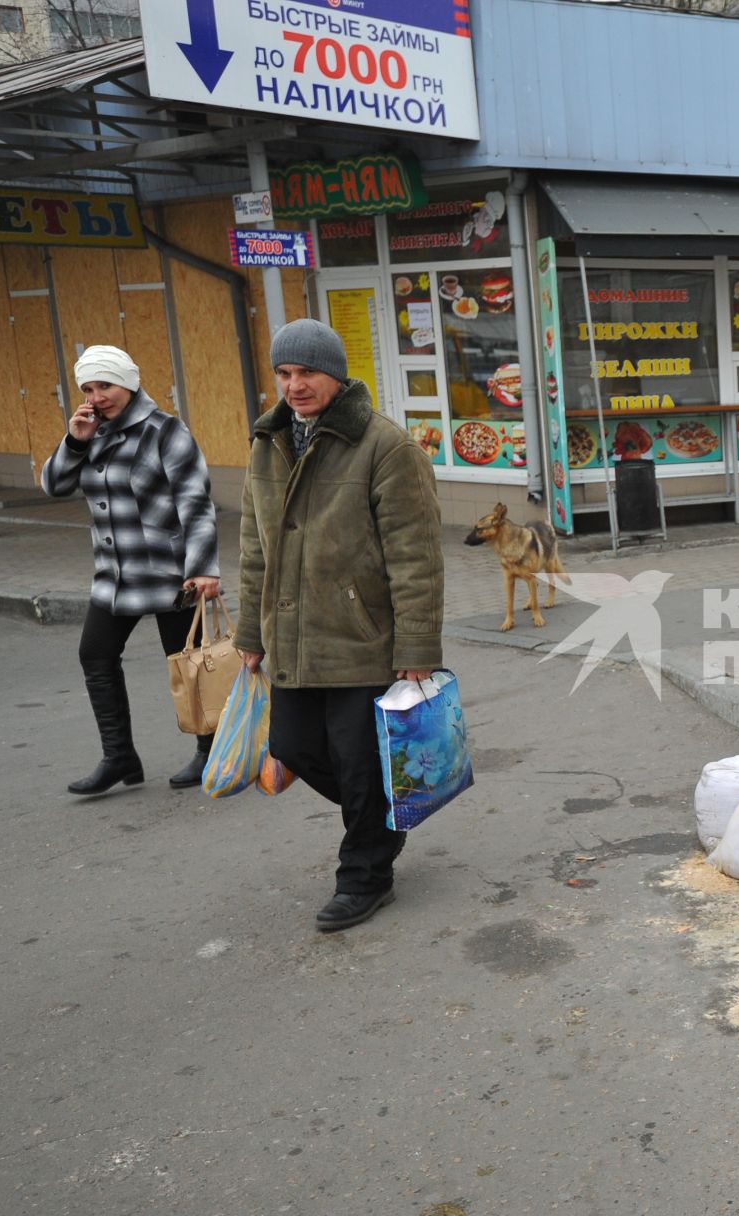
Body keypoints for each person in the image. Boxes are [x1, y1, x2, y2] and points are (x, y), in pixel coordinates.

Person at [235, 319, 445, 932]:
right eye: (284, 373)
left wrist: (417, 645)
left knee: (357, 762)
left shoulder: (385, 446)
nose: (294, 385)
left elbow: (417, 556)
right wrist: (250, 633)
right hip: (293, 637)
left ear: (336, 374)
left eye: (307, 373)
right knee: (294, 746)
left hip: (363, 638)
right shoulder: (266, 442)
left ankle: (365, 875)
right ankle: (381, 820)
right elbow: (255, 548)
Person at [41, 345, 221, 795]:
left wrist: (204, 569)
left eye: (106, 385)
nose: (97, 396)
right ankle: (119, 757)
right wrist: (75, 441)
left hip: (170, 572)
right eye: (88, 387)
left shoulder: (165, 431)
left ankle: (211, 750)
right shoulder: (89, 431)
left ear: (130, 383)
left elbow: (196, 504)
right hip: (115, 576)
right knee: (95, 655)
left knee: (189, 664)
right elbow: (54, 485)